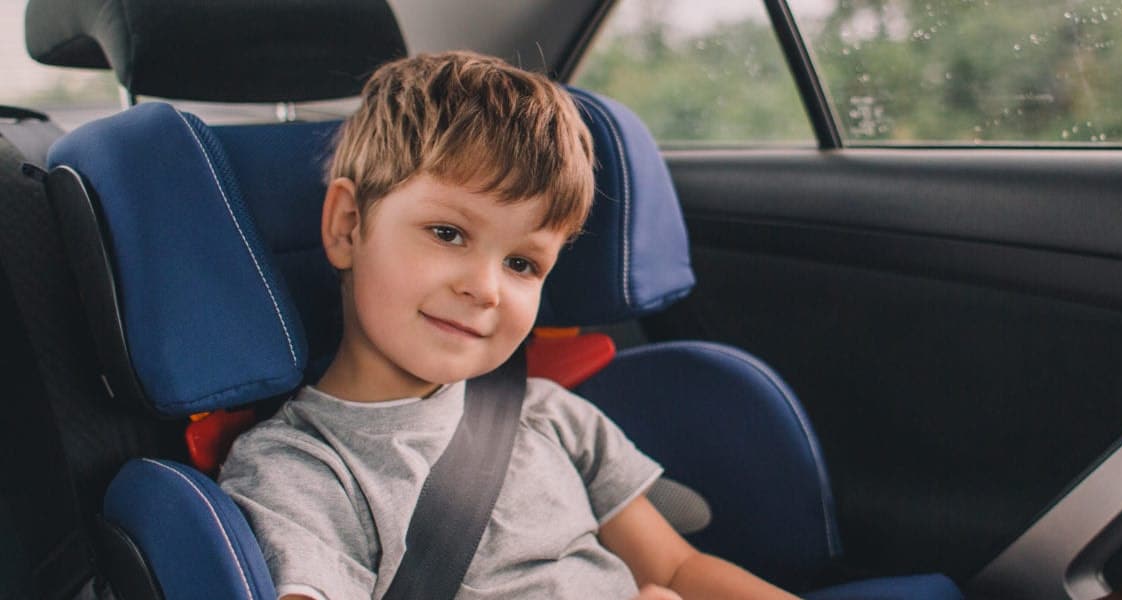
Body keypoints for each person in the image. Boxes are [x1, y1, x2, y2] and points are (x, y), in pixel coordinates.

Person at [219, 50, 802, 600]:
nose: (486, 287)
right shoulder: (302, 469)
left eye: (522, 263)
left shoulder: (549, 415)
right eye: (448, 233)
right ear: (348, 227)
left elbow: (676, 568)